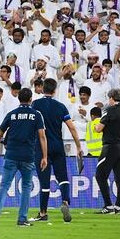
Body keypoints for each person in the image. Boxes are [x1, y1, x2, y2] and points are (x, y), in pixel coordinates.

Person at [0, 88, 47, 227]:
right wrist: (44, 156)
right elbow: (42, 136)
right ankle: (22, 219)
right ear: (31, 99)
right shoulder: (36, 115)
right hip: (28, 155)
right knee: (26, 186)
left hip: (11, 154)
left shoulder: (12, 114)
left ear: (19, 99)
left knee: (4, 185)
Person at [30, 78, 83, 222]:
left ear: (42, 89)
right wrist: (78, 146)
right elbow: (71, 127)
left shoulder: (35, 104)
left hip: (42, 148)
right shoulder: (61, 106)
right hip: (58, 146)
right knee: (63, 178)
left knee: (44, 182)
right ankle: (65, 201)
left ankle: (43, 213)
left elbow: (30, 124)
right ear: (54, 91)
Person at [94, 88, 120, 213]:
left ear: (111, 98)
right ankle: (118, 206)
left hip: (110, 147)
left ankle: (108, 206)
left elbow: (99, 129)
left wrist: (95, 124)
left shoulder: (109, 110)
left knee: (100, 175)